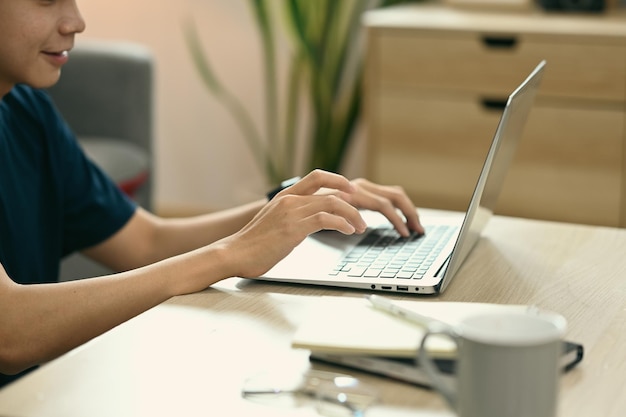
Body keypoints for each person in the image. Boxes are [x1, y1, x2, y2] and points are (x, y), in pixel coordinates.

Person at [0, 0, 423, 387]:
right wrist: (229, 255)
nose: (76, 21)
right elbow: (10, 331)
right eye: (47, 0)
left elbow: (146, 242)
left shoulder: (25, 112)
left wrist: (296, 205)